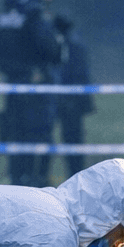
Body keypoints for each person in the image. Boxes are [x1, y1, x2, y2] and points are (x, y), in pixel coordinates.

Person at [0, 0, 65, 186]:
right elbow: (48, 47)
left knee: (15, 130)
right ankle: (39, 179)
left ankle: (17, 176)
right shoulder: (35, 12)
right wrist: (57, 47)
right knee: (41, 130)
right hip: (37, 81)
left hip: (13, 79)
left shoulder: (8, 13)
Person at [52, 13, 96, 178]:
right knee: (73, 140)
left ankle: (75, 175)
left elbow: (79, 74)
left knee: (72, 140)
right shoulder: (77, 46)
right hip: (70, 101)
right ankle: (76, 175)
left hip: (67, 101)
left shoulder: (68, 46)